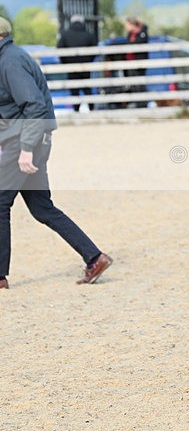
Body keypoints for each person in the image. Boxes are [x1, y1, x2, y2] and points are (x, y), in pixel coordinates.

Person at [0, 17, 113, 290]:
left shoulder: (10, 62)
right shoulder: (11, 57)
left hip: (24, 142)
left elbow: (34, 106)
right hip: (27, 140)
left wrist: (26, 149)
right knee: (42, 209)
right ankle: (94, 257)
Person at [57, 14, 97, 111]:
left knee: (74, 90)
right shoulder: (89, 34)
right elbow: (95, 49)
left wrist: (66, 63)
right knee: (87, 88)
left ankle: (76, 109)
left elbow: (59, 50)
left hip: (71, 67)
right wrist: (89, 60)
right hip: (86, 66)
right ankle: (91, 109)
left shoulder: (65, 35)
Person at [124, 17, 149, 107]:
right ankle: (137, 104)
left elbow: (139, 44)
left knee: (140, 85)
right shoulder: (130, 34)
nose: (126, 27)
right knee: (134, 85)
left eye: (127, 25)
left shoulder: (142, 33)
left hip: (139, 62)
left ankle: (141, 105)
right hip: (130, 62)